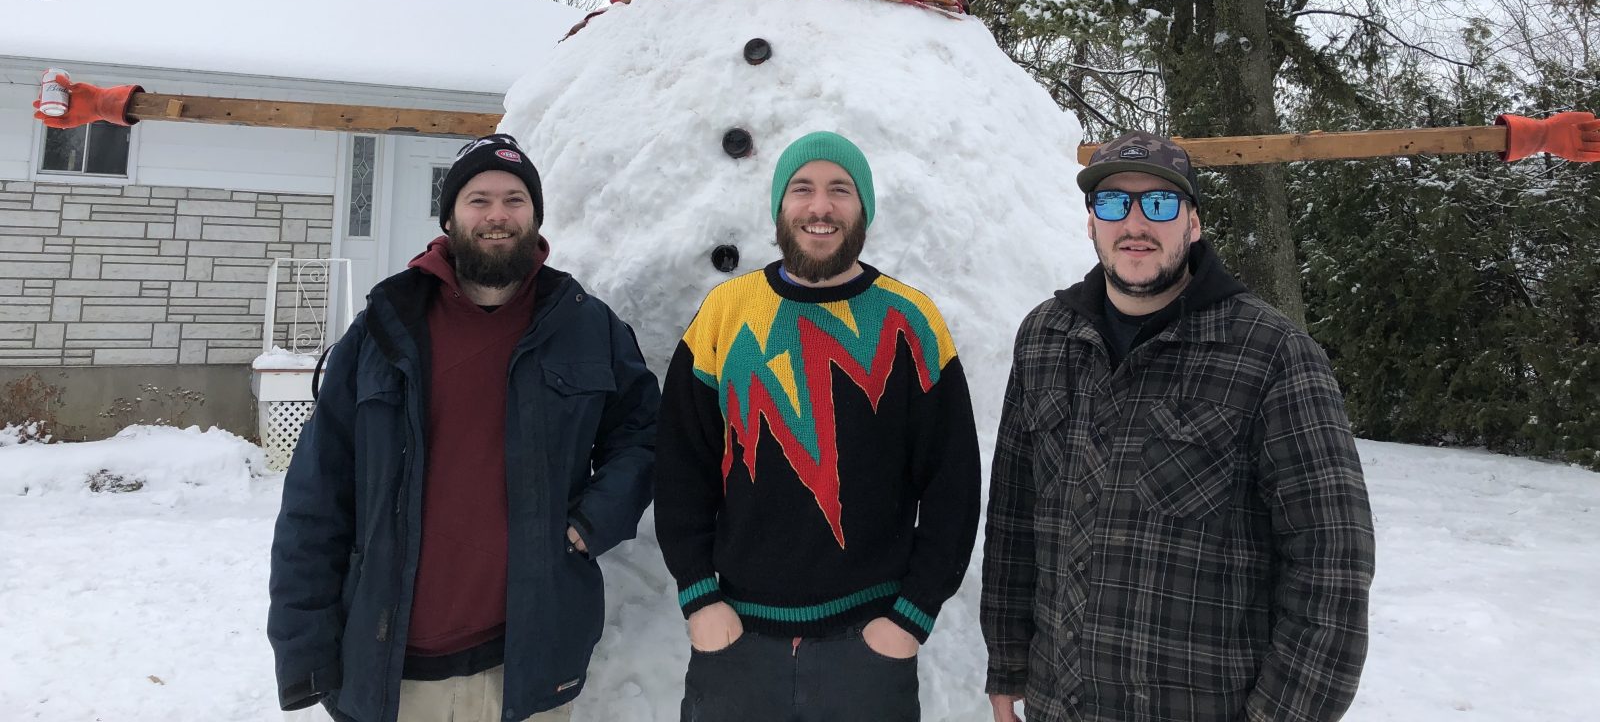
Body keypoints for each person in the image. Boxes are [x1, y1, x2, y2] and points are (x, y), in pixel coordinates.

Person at [982, 132, 1375, 722]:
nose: (1135, 223)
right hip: (1058, 704)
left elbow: (1332, 563)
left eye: (1160, 205)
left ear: (1192, 224)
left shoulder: (1270, 354)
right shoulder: (1045, 337)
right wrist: (1008, 662)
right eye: (1113, 203)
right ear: (1091, 222)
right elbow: (1015, 516)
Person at [268, 133, 659, 722]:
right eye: (479, 199)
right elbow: (316, 497)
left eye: (514, 200)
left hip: (529, 670)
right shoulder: (384, 328)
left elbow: (644, 434)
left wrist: (591, 523)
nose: (497, 216)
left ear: (535, 216)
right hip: (396, 674)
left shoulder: (584, 324)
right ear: (450, 214)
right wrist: (304, 650)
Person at [654, 131, 981, 722]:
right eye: (801, 189)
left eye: (840, 190)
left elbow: (952, 484)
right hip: (736, 644)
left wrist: (911, 618)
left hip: (868, 652)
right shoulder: (725, 314)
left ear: (865, 209)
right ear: (780, 206)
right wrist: (698, 595)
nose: (820, 207)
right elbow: (681, 465)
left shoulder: (912, 320)